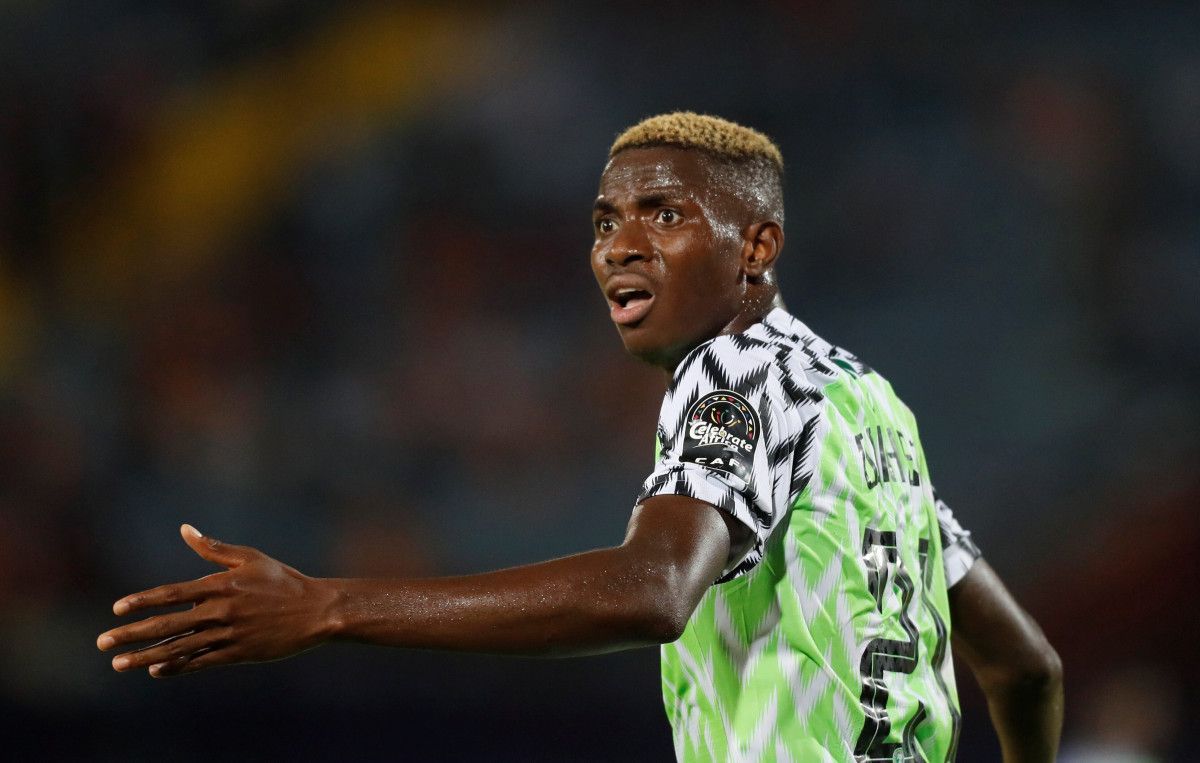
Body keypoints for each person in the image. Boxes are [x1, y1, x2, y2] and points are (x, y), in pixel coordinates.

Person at [98, 112, 1063, 761]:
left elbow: (655, 590)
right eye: (606, 219)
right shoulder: (870, 409)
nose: (619, 245)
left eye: (664, 214)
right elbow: (1025, 665)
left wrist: (330, 606)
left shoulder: (737, 370)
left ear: (757, 248)